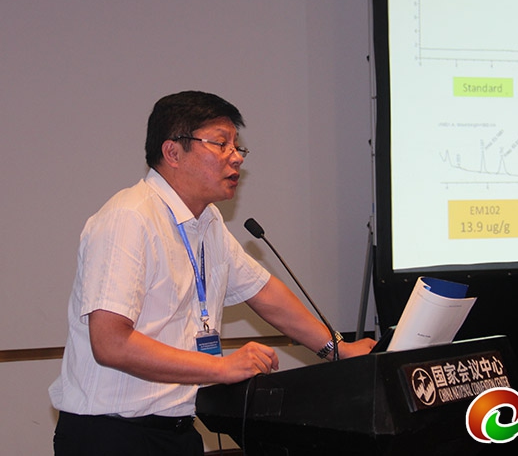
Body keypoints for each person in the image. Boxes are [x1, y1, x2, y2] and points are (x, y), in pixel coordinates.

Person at [49, 90, 376, 456]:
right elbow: (110, 343)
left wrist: (337, 349)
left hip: (178, 431)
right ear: (173, 152)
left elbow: (264, 292)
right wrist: (219, 368)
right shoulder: (129, 218)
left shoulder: (207, 222)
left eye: (237, 146)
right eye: (221, 144)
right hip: (111, 436)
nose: (236, 157)